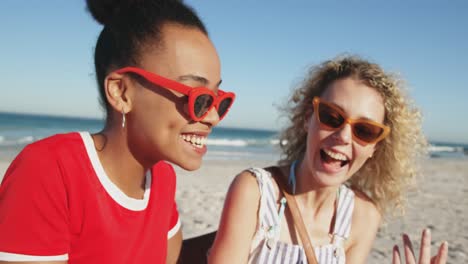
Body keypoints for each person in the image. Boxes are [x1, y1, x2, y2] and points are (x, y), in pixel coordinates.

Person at [0, 0, 234, 263]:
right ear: (121, 92)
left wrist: (243, 230)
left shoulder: (161, 177)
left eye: (218, 100)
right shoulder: (51, 171)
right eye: (199, 98)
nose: (213, 116)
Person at [208, 56, 447, 264]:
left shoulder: (362, 217)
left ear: (376, 147)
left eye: (364, 130)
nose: (343, 136)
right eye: (332, 116)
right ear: (307, 118)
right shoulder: (255, 192)